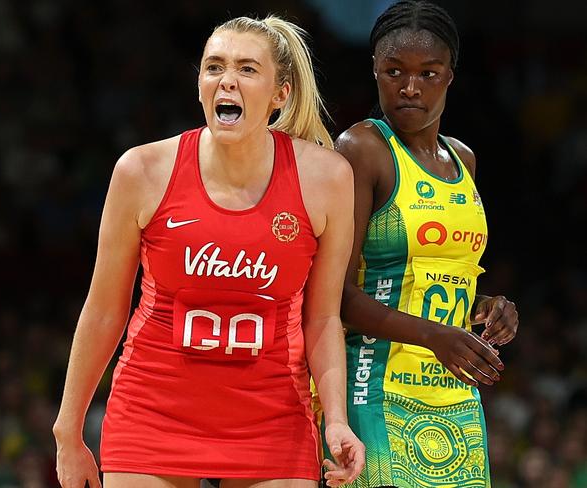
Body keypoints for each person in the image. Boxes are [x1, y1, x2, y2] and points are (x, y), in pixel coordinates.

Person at [52, 15, 365, 488]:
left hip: (272, 416)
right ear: (200, 84)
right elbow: (103, 310)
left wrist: (336, 418)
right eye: (214, 67)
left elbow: (321, 318)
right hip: (153, 411)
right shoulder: (142, 170)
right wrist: (67, 430)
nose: (227, 81)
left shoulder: (327, 179)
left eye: (246, 69)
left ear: (280, 94)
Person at [333, 1, 519, 487]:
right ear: (375, 70)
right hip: (374, 387)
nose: (410, 87)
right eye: (394, 71)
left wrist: (486, 308)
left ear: (450, 77)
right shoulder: (363, 148)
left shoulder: (463, 159)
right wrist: (434, 336)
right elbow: (338, 296)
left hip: (454, 393)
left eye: (428, 73)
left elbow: (434, 278)